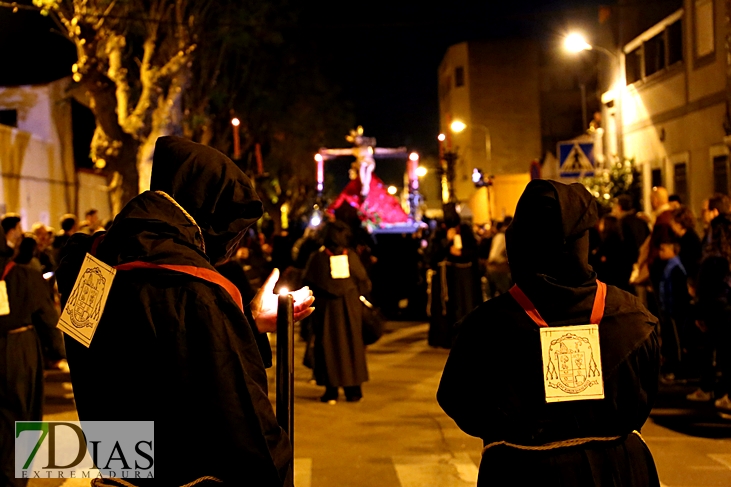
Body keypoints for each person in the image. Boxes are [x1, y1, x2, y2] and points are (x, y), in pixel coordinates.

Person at [57, 136, 314, 486]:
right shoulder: (196, 288)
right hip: (183, 474)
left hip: (116, 463)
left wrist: (246, 322)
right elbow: (241, 417)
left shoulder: (91, 266)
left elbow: (140, 356)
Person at [437, 180, 660, 486]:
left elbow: (459, 401)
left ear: (520, 244)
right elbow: (645, 396)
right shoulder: (635, 317)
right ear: (584, 242)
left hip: (526, 473)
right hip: (618, 470)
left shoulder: (485, 326)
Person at [0, 226, 60, 487]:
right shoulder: (26, 277)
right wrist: (58, 351)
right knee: (20, 418)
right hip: (18, 349)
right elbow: (49, 321)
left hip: (15, 345)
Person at [303, 220, 372, 403]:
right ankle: (353, 390)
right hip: (350, 309)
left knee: (328, 348)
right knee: (352, 347)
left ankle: (331, 390)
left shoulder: (318, 258)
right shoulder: (350, 256)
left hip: (327, 311)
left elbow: (307, 282)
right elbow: (364, 283)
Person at [426, 203, 481, 348]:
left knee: (466, 305)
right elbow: (432, 255)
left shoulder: (465, 230)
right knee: (449, 309)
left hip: (465, 276)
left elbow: (474, 252)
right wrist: (447, 242)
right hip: (446, 277)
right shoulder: (439, 232)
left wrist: (462, 253)